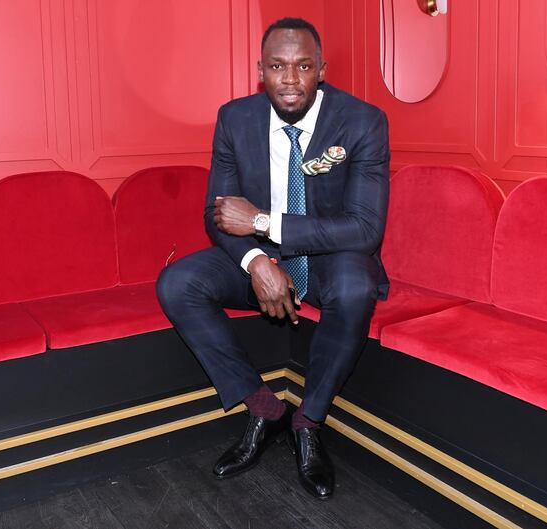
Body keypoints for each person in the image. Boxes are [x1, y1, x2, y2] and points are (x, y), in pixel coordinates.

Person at [156, 17, 389, 500]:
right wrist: (257, 262)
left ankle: (308, 422)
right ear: (260, 70)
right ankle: (264, 409)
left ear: (321, 70)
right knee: (178, 283)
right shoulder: (235, 118)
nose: (290, 79)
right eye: (278, 67)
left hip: (330, 259)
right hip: (263, 258)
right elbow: (218, 213)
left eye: (303, 66)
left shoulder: (363, 121)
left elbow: (364, 230)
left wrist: (263, 223)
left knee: (356, 284)